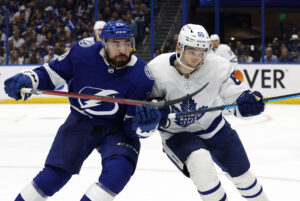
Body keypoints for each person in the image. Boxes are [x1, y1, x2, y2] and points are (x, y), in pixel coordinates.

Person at [4, 21, 155, 201]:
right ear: (104, 43)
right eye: (116, 44)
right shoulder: (83, 53)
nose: (123, 50)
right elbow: (54, 73)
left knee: (119, 171)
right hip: (80, 120)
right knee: (53, 176)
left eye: (127, 44)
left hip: (117, 128)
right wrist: (32, 79)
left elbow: (132, 126)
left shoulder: (141, 75)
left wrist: (143, 127)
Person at [136, 24, 269, 200]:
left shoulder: (218, 66)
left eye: (202, 52)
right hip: (177, 135)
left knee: (245, 179)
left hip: (215, 128)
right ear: (179, 47)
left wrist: (248, 104)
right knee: (201, 163)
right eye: (192, 52)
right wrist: (149, 122)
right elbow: (143, 123)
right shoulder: (156, 70)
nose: (197, 59)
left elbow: (235, 99)